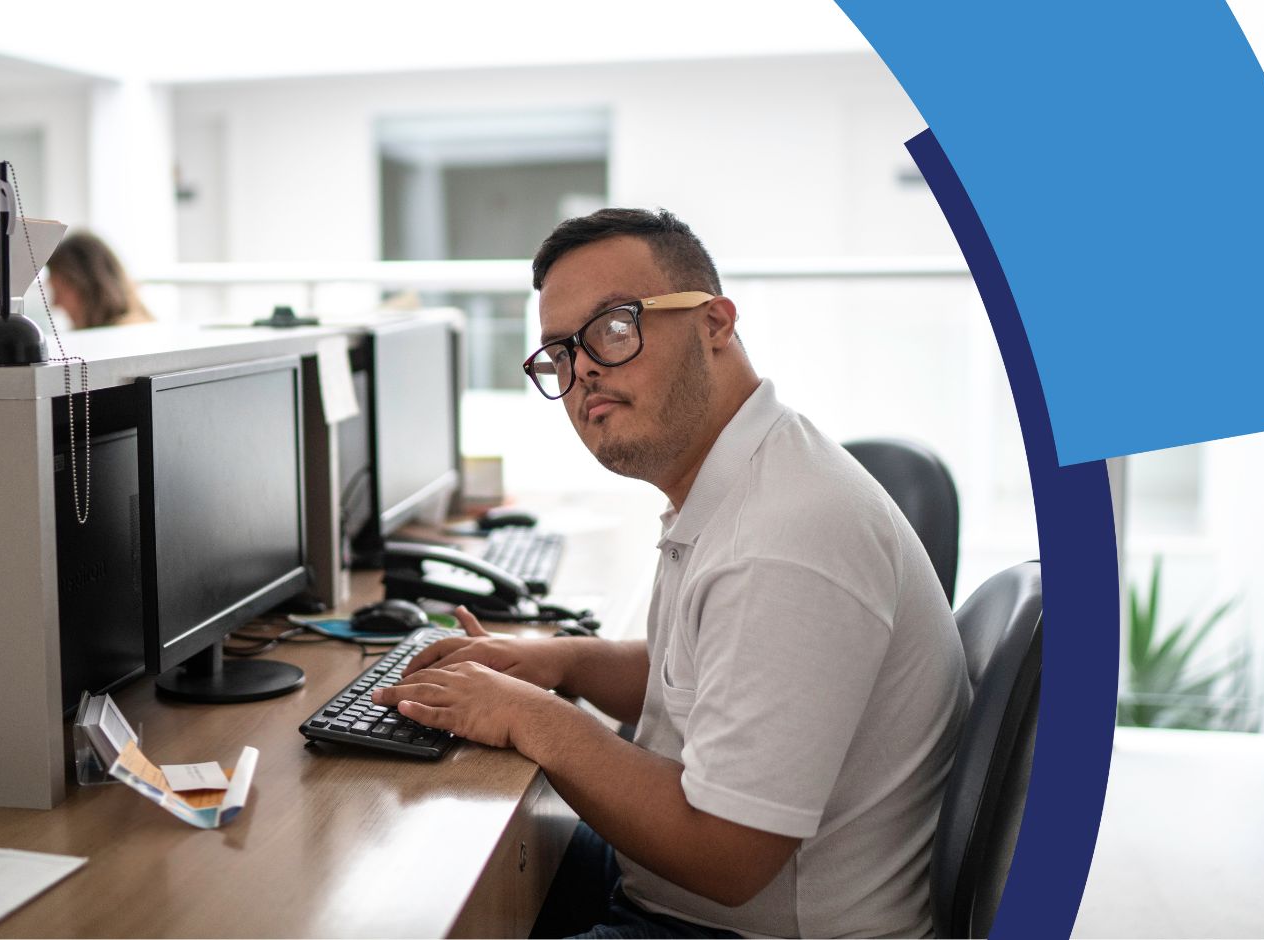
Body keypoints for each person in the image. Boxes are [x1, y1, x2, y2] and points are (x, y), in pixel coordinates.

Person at [370, 208, 971, 938]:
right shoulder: (743, 478)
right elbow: (705, 675)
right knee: (439, 869)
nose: (582, 367)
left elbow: (728, 856)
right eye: (559, 355)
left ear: (714, 322)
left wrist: (529, 715)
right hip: (700, 898)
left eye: (614, 329)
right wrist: (557, 661)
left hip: (740, 922)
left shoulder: (784, 536)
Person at [44, 230, 154, 330]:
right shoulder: (94, 334)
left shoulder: (129, 333)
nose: (55, 303)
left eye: (59, 291)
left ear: (87, 287)